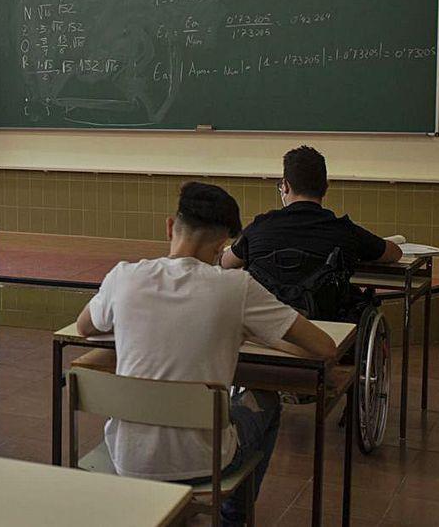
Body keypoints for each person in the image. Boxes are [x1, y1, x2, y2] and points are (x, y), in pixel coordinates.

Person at [75, 182, 336, 526]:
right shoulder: (237, 288)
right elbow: (324, 347)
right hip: (206, 461)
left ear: (170, 226)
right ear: (222, 244)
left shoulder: (124, 277)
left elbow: (84, 327)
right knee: (267, 401)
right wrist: (257, 333)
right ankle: (233, 518)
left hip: (128, 457)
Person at [221, 146, 402, 273]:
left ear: (285, 186)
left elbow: (226, 262)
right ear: (325, 187)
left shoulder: (259, 227)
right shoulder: (346, 231)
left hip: (268, 322)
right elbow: (394, 254)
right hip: (328, 324)